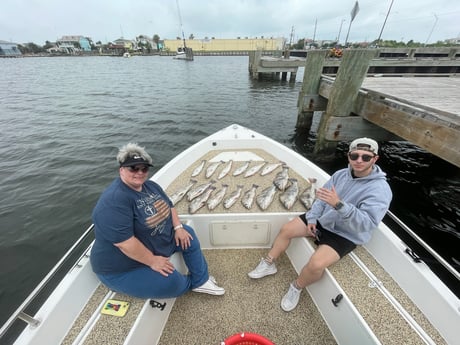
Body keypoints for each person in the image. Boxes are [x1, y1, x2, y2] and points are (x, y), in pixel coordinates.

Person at [248, 137, 392, 311]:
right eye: (355, 156)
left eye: (366, 157)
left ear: (375, 159)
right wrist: (312, 218)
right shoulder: (340, 175)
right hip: (325, 219)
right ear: (349, 156)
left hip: (346, 233)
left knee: (316, 264)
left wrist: (339, 205)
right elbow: (321, 200)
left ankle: (296, 287)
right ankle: (269, 263)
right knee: (286, 229)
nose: (359, 161)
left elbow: (366, 225)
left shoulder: (381, 190)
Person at [90, 142, 225, 299]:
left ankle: (201, 281)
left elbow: (170, 206)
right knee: (172, 283)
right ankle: (189, 283)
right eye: (133, 168)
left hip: (154, 243)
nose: (139, 172)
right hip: (122, 267)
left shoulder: (150, 186)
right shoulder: (114, 200)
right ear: (121, 170)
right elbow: (124, 243)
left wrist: (178, 228)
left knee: (188, 234)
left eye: (144, 168)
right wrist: (153, 261)